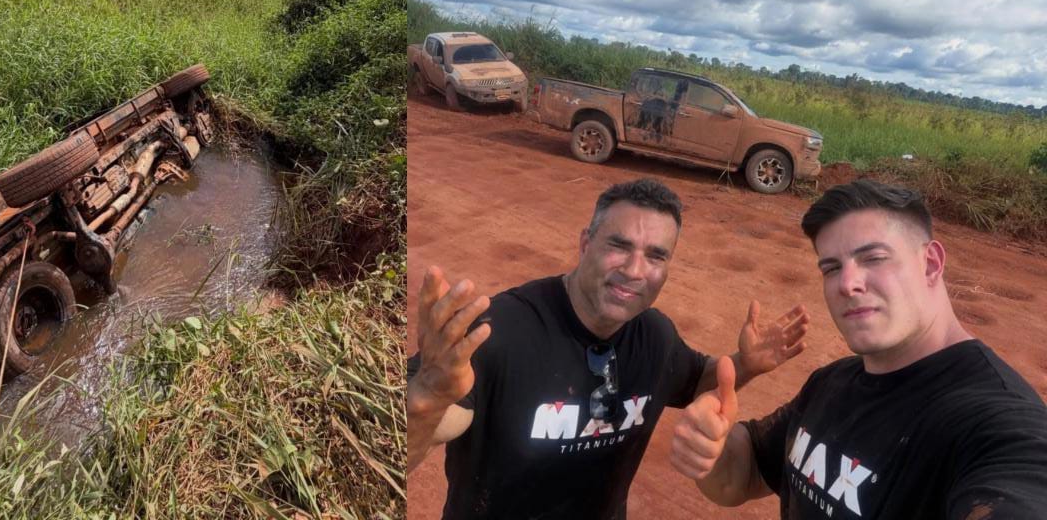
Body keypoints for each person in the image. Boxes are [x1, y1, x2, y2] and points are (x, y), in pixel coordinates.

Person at [407, 178, 810, 519]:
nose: (635, 271)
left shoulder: (655, 336)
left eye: (655, 256)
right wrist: (426, 398)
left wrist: (747, 364)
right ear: (586, 243)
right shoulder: (499, 332)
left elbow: (695, 379)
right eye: (619, 245)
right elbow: (405, 443)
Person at [670, 179, 1047, 518]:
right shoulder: (832, 384)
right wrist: (712, 447)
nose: (847, 283)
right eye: (831, 268)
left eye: (873, 258)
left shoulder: (998, 424)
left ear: (931, 263)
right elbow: (746, 474)